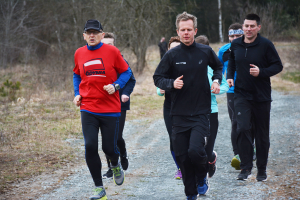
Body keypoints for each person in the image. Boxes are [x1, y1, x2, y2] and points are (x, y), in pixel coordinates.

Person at [153, 12, 223, 200]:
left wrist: (216, 81)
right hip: (179, 114)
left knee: (196, 151)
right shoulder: (171, 54)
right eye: (182, 30)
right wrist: (171, 84)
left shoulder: (205, 51)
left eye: (189, 30)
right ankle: (190, 194)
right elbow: (157, 77)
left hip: (201, 112)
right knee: (183, 157)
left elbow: (218, 67)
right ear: (178, 31)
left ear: (195, 31)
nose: (186, 33)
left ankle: (202, 178)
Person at [73, 19, 132, 200]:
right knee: (90, 146)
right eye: (88, 32)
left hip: (110, 109)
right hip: (88, 107)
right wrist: (77, 93)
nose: (91, 35)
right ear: (84, 35)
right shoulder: (79, 53)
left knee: (109, 148)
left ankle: (115, 163)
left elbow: (127, 72)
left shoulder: (112, 51)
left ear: (102, 34)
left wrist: (116, 86)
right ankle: (99, 188)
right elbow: (76, 74)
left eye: (95, 32)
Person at [227, 14, 283, 182]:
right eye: (246, 26)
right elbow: (232, 61)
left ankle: (262, 170)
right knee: (242, 128)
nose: (248, 29)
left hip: (261, 96)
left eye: (252, 26)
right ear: (242, 27)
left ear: (258, 27)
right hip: (241, 94)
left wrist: (261, 72)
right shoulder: (236, 44)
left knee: (261, 134)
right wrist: (230, 75)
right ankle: (245, 168)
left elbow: (277, 66)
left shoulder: (266, 45)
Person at [101, 32, 136, 179]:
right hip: (102, 104)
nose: (108, 47)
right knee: (106, 138)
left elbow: (131, 80)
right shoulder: (97, 61)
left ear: (114, 45)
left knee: (116, 136)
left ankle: (123, 154)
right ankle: (111, 167)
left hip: (119, 104)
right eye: (105, 44)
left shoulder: (121, 60)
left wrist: (125, 93)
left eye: (110, 44)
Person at [194, 35, 229, 179]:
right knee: (196, 147)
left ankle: (211, 158)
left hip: (211, 111)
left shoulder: (213, 68)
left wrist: (216, 89)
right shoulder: (190, 66)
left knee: (208, 150)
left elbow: (225, 84)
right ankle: (200, 178)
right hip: (194, 112)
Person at [218, 23, 245, 170]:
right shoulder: (223, 51)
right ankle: (237, 155)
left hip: (249, 90)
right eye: (232, 36)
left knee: (249, 122)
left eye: (238, 36)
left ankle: (250, 148)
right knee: (235, 122)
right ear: (228, 36)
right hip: (232, 91)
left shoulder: (249, 49)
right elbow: (218, 69)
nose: (235, 38)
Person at [157, 36, 182, 180]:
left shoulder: (189, 64)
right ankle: (180, 168)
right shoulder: (165, 65)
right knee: (174, 139)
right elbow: (159, 83)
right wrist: (161, 90)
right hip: (169, 107)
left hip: (187, 107)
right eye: (172, 49)